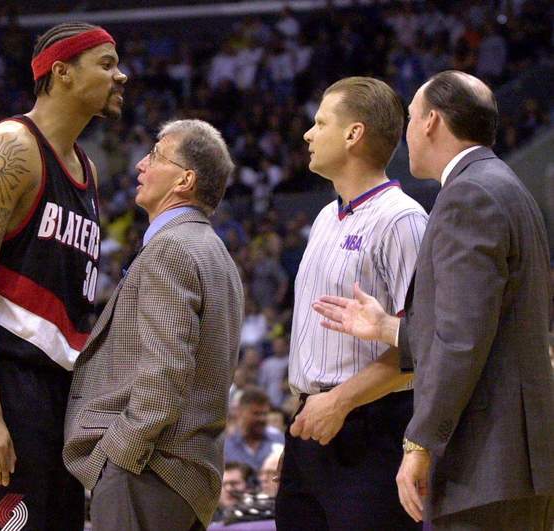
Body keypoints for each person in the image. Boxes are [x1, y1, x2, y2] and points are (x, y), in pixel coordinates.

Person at [313, 71, 554, 530]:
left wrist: (420, 442)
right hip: (516, 465)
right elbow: (484, 324)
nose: (405, 134)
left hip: (485, 463)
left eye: (410, 118)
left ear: (431, 122)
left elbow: (460, 341)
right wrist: (389, 328)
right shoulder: (504, 185)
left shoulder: (468, 195)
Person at [0, 22, 127, 530]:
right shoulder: (9, 150)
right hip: (2, 375)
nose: (121, 76)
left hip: (55, 385)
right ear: (62, 72)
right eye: (106, 64)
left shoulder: (86, 168)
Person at [63, 119, 244, 531]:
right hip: (183, 475)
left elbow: (165, 375)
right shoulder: (216, 253)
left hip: (148, 470)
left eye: (156, 155)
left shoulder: (171, 249)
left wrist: (119, 454)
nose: (141, 164)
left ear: (185, 180)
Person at [276, 77, 428, 531]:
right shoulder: (326, 216)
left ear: (353, 134)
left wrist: (338, 403)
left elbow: (423, 347)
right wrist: (307, 420)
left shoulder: (403, 219)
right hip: (313, 425)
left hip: (373, 429)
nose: (308, 134)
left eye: (320, 123)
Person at [224, 387, 284, 471]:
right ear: (240, 412)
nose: (262, 419)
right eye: (256, 413)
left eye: (265, 414)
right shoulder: (226, 446)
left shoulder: (280, 441)